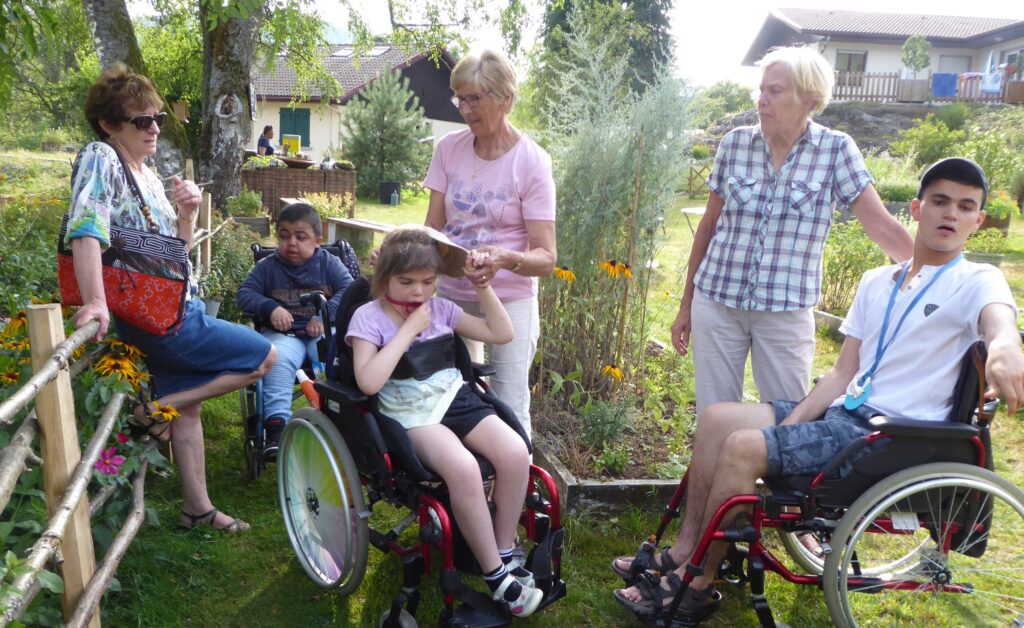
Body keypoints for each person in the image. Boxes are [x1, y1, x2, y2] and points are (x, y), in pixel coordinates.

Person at [613, 157, 1024, 620]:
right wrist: (791, 427)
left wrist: (1006, 348)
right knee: (717, 419)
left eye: (965, 206)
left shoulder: (976, 279)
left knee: (743, 449)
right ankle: (686, 550)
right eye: (940, 201)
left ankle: (697, 583)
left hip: (894, 438)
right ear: (916, 208)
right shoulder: (877, 281)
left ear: (978, 220)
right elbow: (840, 373)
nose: (951, 213)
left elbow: (999, 321)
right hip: (847, 416)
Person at [67, 64, 276, 533]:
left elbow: (169, 261)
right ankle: (151, 412)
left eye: (157, 118)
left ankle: (196, 507)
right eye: (141, 120)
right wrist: (96, 302)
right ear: (109, 124)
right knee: (263, 356)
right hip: (163, 321)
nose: (155, 128)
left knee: (191, 406)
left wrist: (185, 216)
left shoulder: (146, 173)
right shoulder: (102, 156)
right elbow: (86, 228)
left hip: (170, 305)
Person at [671, 46, 915, 417]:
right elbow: (707, 227)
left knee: (789, 420)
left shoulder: (835, 151)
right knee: (713, 415)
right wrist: (686, 304)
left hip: (785, 314)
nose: (761, 100)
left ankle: (767, 478)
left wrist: (941, 277)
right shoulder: (735, 143)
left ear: (809, 99)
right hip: (717, 304)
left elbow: (882, 226)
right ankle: (716, 478)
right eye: (761, 89)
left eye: (775, 91)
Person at [347, 227, 543, 617]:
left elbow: (502, 333)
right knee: (464, 468)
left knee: (515, 452)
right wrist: (407, 331)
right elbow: (367, 381)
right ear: (384, 278)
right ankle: (495, 577)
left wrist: (482, 286)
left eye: (427, 282)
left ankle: (504, 548)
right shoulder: (367, 318)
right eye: (406, 282)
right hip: (411, 414)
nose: (418, 293)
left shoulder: (442, 310)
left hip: (456, 398)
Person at [423, 49, 557, 438]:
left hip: (509, 301)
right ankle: (470, 485)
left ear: (507, 99)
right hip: (450, 294)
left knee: (509, 403)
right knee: (452, 395)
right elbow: (432, 225)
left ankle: (514, 493)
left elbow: (546, 258)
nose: (464, 109)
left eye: (474, 98)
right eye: (459, 98)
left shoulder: (531, 162)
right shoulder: (448, 148)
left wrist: (504, 258)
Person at [236, 202, 353, 456]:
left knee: (330, 361)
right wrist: (270, 308)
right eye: (284, 236)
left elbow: (349, 291)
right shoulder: (267, 267)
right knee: (277, 360)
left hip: (321, 331)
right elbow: (244, 294)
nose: (291, 243)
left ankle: (335, 422)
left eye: (301, 237)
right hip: (283, 335)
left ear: (318, 240)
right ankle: (277, 427)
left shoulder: (328, 263)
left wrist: (325, 315)